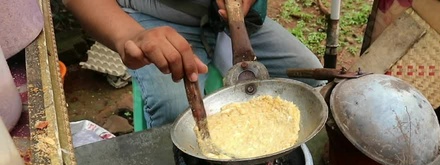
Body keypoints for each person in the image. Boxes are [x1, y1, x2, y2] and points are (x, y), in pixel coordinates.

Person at [64, 0, 324, 128]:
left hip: (226, 17)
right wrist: (130, 36)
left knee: (309, 77)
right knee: (179, 115)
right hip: (154, 18)